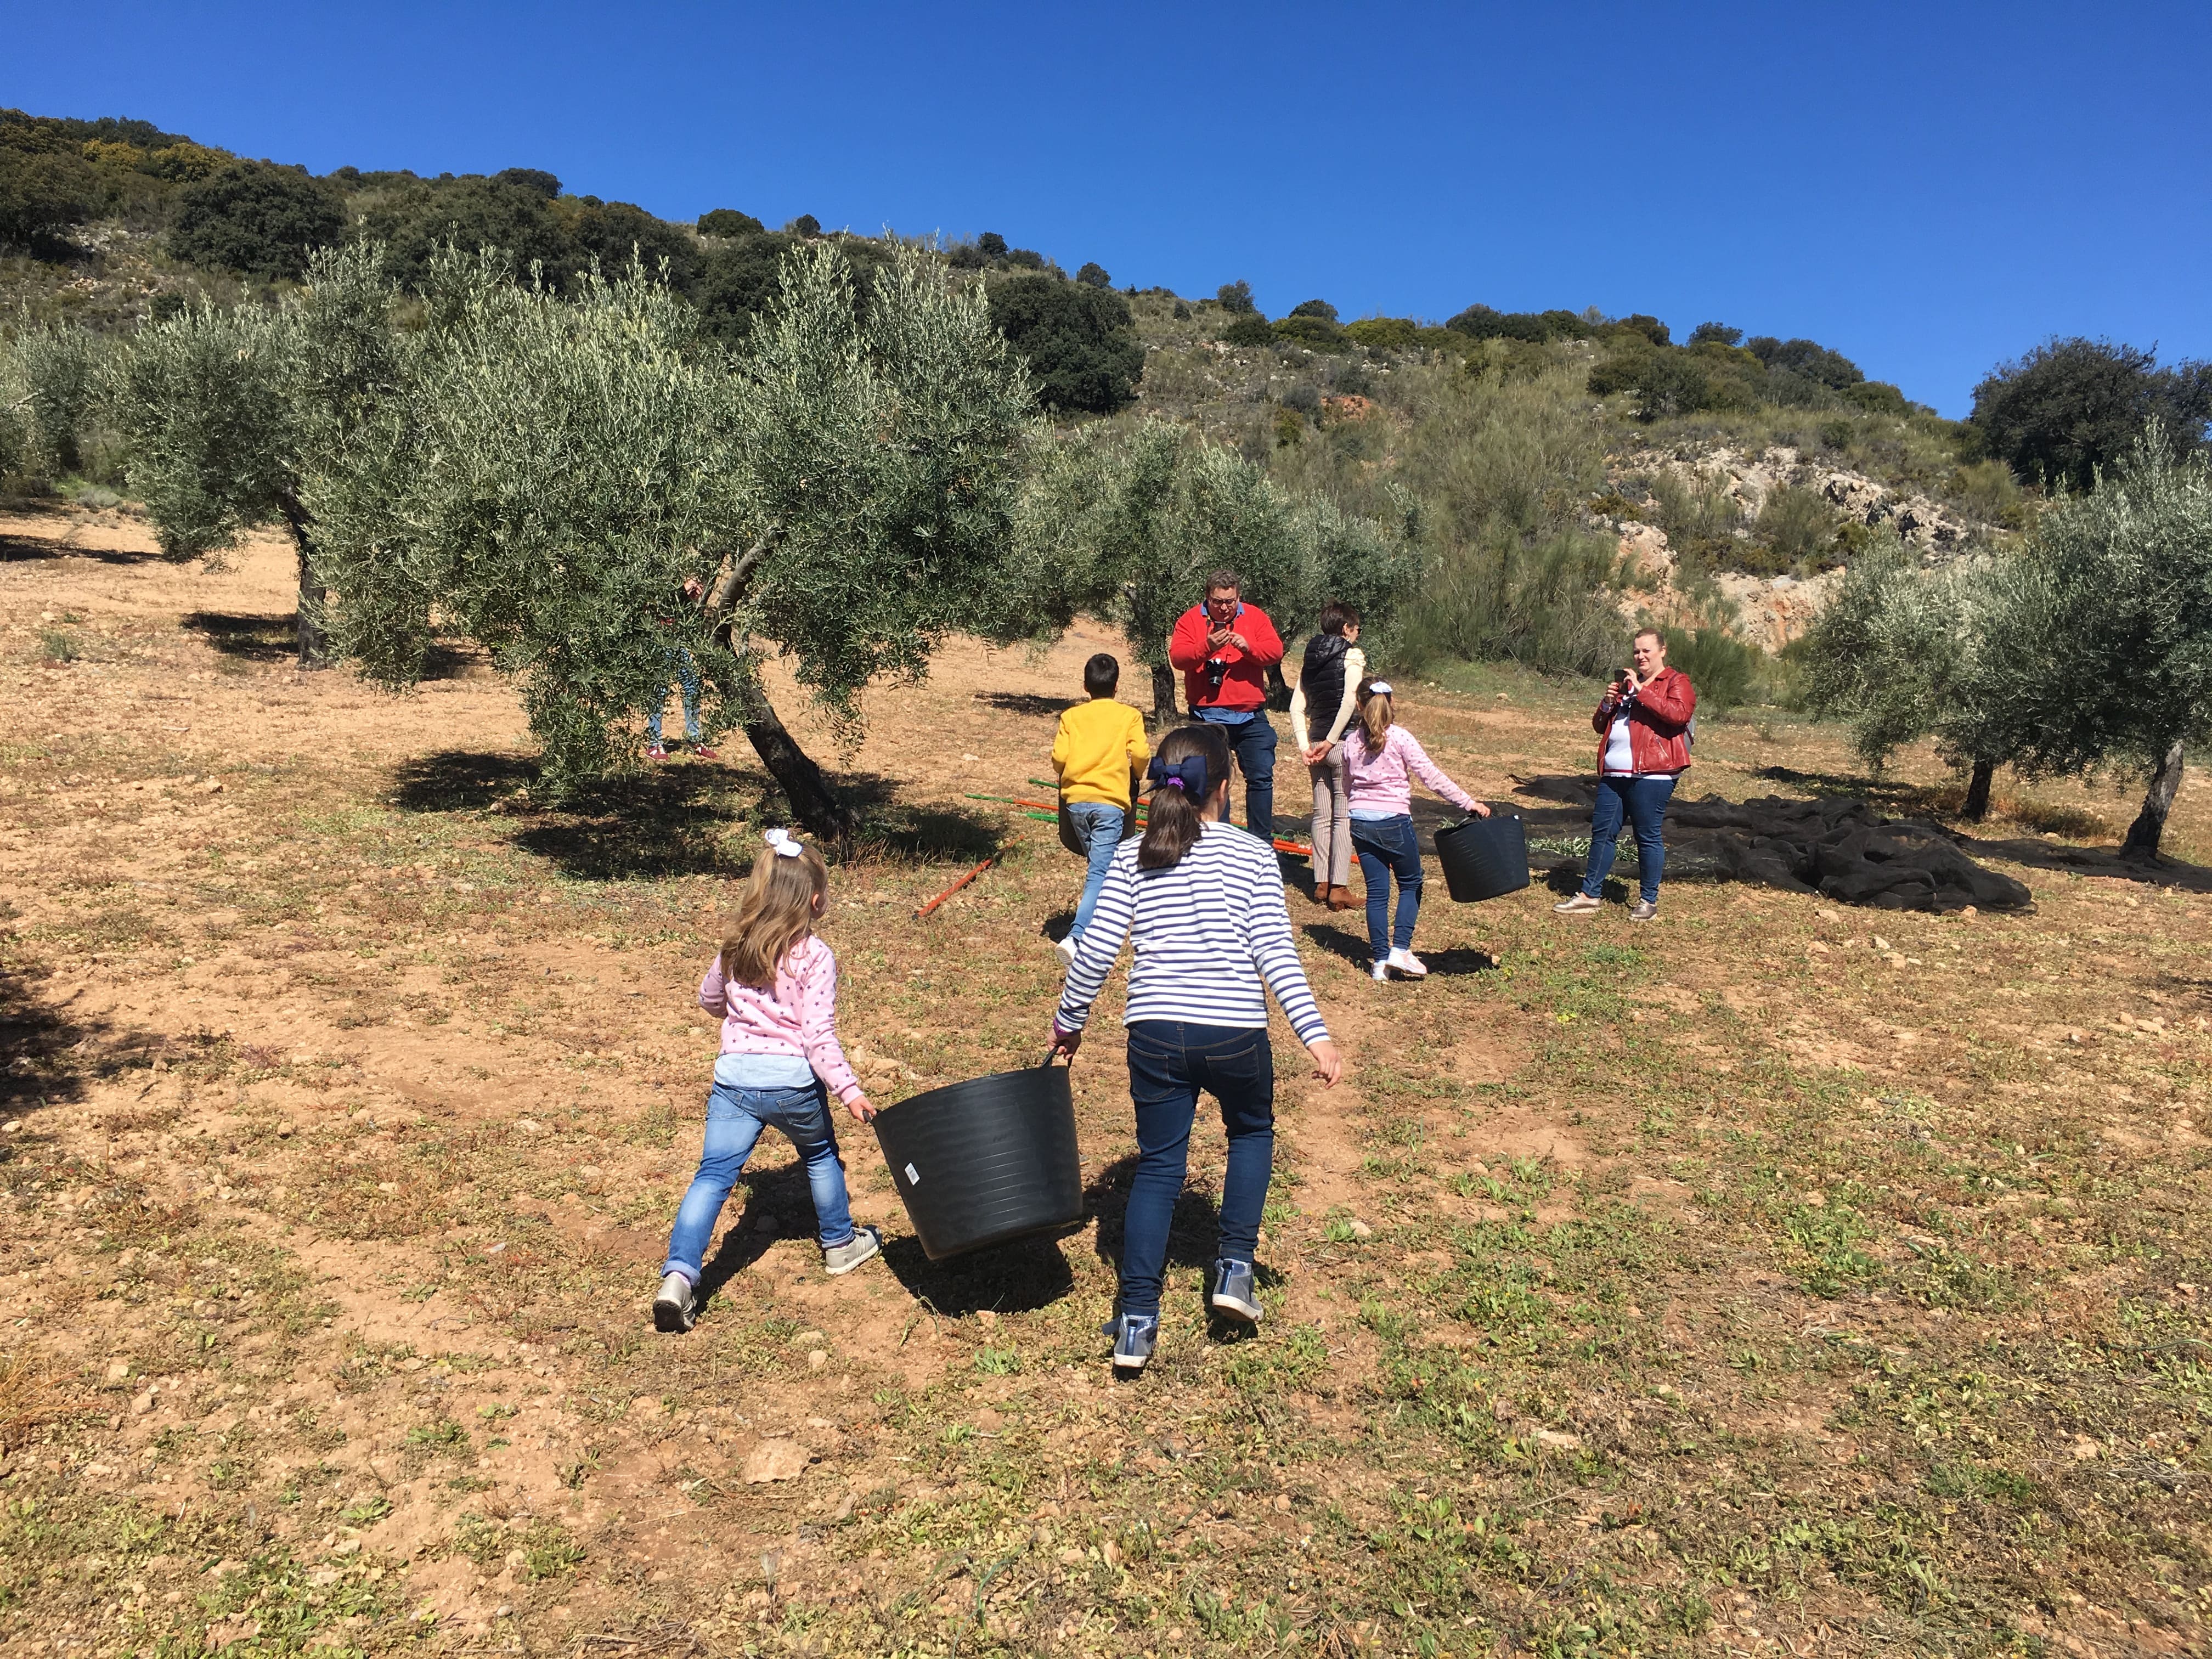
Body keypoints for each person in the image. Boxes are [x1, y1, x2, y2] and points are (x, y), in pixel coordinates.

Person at [1051, 724, 1342, 1374]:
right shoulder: (1252, 855)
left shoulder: (1134, 854)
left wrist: (1069, 1022)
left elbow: (1095, 951)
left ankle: (1134, 1321)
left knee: (1158, 1167)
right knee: (1250, 1133)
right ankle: (1234, 1271)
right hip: (1235, 1032)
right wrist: (1314, 1035)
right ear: (1225, 786)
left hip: (1154, 1034)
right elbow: (1276, 953)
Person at [653, 828, 879, 1333]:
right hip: (794, 1084)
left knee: (712, 1177)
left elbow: (709, 1000)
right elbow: (819, 1036)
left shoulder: (736, 947)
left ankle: (678, 1277)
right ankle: (840, 1244)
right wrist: (850, 1091)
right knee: (820, 1156)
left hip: (734, 1081)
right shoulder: (815, 957)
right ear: (816, 902)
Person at [1344, 678, 1489, 981]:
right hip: (1394, 821)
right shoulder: (1400, 738)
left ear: (1359, 705)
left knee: (1377, 893)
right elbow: (1431, 777)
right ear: (1391, 703)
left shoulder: (1350, 742)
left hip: (1359, 820)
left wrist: (1355, 810)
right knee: (1411, 883)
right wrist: (1468, 803)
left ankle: (1380, 962)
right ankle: (1401, 948)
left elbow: (1347, 785)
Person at [1554, 628, 1695, 922]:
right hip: (1615, 772)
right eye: (1636, 651)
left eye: (1647, 651)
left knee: (1647, 834)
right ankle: (1589, 895)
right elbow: (1599, 725)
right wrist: (1608, 703)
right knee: (1602, 832)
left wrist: (1642, 692)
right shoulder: (1628, 685)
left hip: (1654, 773)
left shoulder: (1676, 681)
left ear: (1662, 651)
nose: (1640, 657)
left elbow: (1678, 715)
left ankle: (1648, 900)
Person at [1050, 652, 1152, 967]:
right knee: (1101, 872)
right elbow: (1141, 753)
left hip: (1076, 804)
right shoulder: (1129, 717)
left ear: (1085, 685)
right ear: (1117, 686)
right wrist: (1135, 774)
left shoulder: (1071, 717)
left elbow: (1059, 759)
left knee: (1102, 868)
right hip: (1111, 804)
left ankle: (1104, 922)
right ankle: (1078, 936)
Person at [1167, 570, 1284, 842]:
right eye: (1218, 602)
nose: (1224, 608)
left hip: (1250, 715)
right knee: (1212, 779)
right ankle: (1219, 840)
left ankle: (1261, 844)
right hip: (1207, 715)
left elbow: (1275, 652)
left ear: (1238, 597)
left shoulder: (1255, 617)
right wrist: (1205, 647)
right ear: (1208, 597)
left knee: (1261, 778)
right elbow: (1178, 658)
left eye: (1230, 602)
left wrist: (1250, 648)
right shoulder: (1190, 620)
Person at [1288, 601, 1366, 911]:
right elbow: (1351, 700)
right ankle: (1339, 887)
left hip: (1316, 744)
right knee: (1343, 816)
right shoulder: (1352, 655)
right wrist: (1333, 742)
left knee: (1321, 815)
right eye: (1357, 629)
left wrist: (1306, 745)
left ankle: (1320, 883)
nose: (1358, 635)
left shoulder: (1310, 659)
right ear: (1346, 628)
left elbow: (1296, 706)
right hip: (1342, 745)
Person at [646, 576, 719, 762]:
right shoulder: (652, 570)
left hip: (678, 642)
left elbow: (682, 612)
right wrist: (681, 591)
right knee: (659, 691)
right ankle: (654, 744)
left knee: (692, 687)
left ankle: (695, 739)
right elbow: (657, 603)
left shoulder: (676, 569)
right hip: (659, 641)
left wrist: (690, 598)